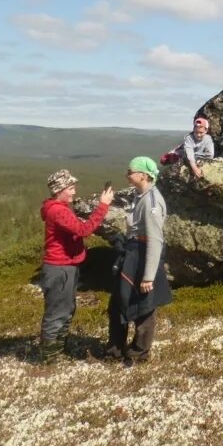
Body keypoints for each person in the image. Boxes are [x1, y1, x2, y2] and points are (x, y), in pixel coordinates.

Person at [39, 169, 113, 364]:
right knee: (57, 312)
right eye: (70, 188)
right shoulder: (58, 211)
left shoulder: (58, 208)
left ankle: (58, 349)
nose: (74, 192)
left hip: (64, 267)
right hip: (60, 268)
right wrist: (103, 206)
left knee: (66, 308)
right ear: (60, 190)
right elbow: (84, 230)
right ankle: (49, 357)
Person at [105, 156, 172, 363]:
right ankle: (116, 350)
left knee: (143, 305)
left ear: (143, 175)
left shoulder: (151, 202)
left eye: (130, 171)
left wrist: (148, 276)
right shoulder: (140, 196)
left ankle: (138, 353)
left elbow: (155, 240)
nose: (127, 175)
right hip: (133, 253)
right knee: (118, 302)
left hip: (142, 256)